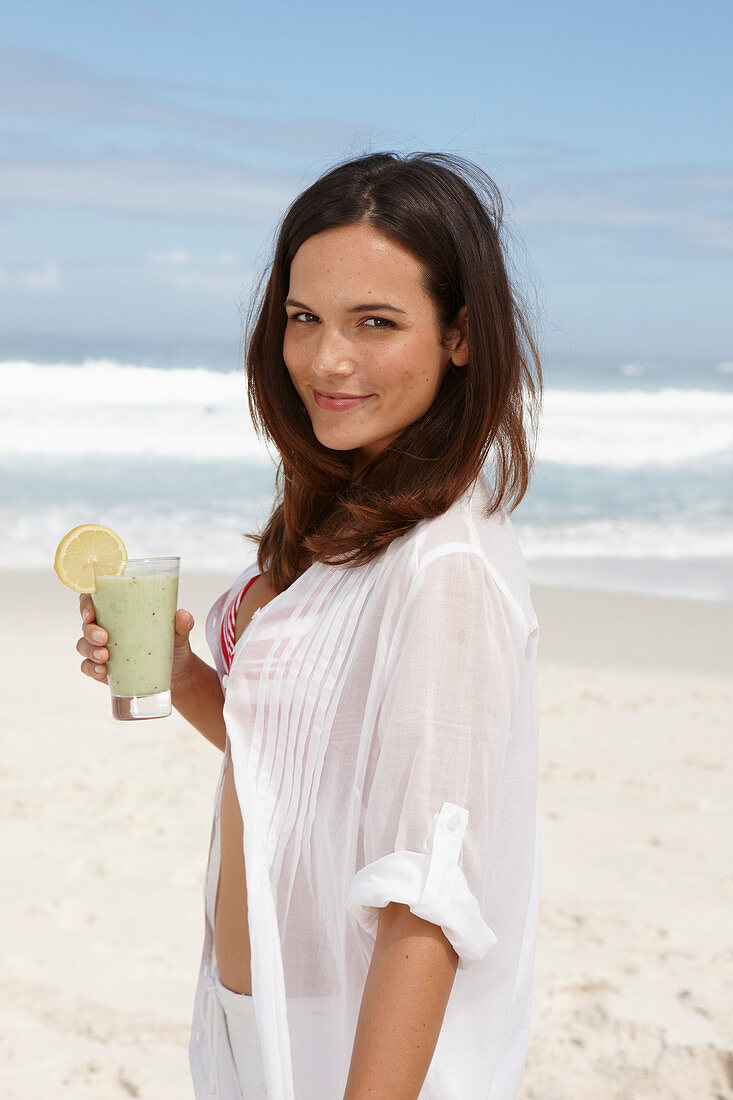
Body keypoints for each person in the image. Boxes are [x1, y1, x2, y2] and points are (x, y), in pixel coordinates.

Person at [77, 151, 543, 1099]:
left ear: (460, 334)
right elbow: (298, 763)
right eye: (304, 318)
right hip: (261, 1017)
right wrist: (180, 675)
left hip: (345, 1050)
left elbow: (427, 899)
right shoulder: (347, 516)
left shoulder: (442, 566)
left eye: (376, 322)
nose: (326, 359)